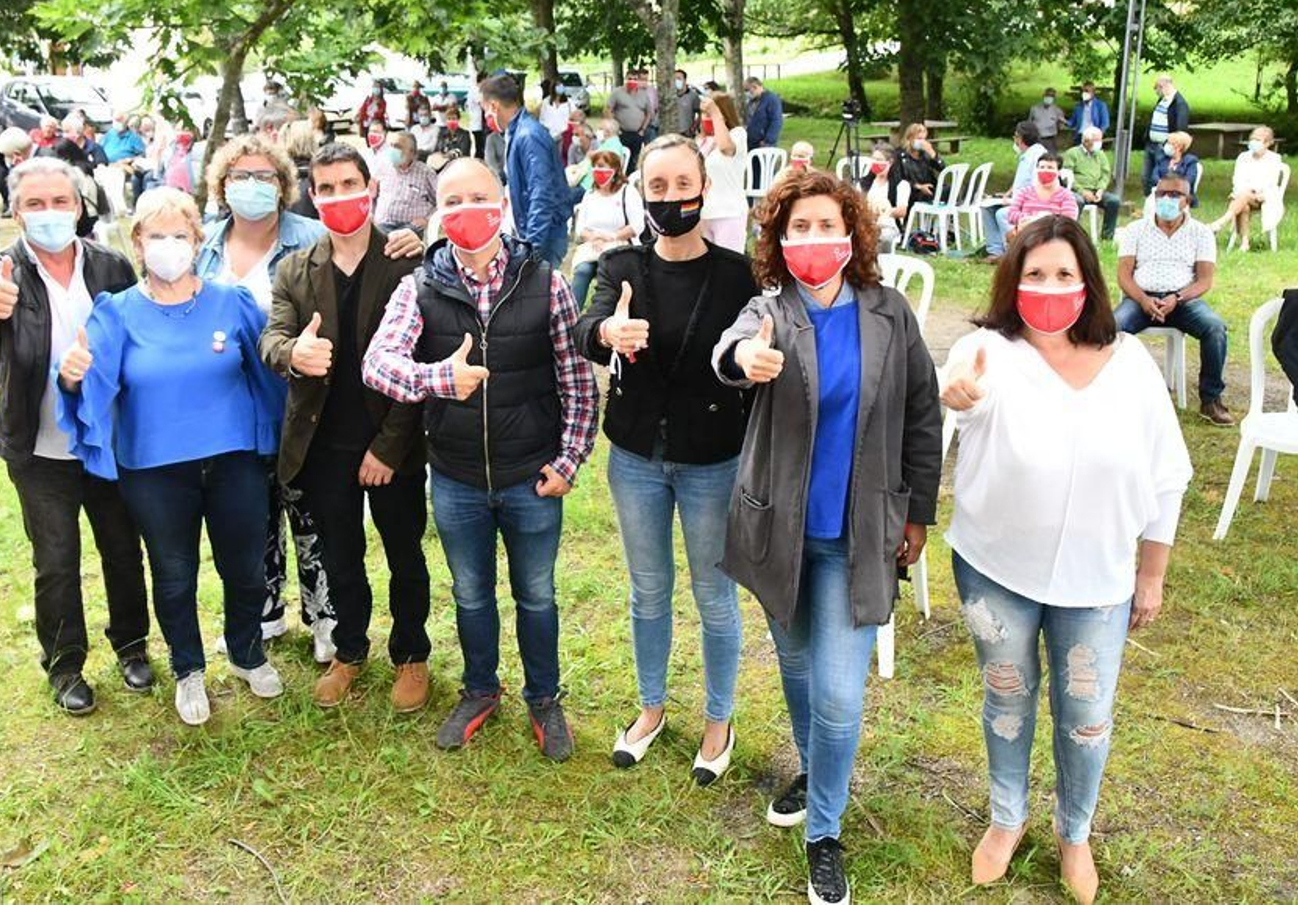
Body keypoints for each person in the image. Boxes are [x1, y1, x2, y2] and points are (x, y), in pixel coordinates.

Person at [939, 214, 1191, 905]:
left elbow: (1167, 474)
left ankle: (1073, 831)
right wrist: (955, 394)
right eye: (1035, 274)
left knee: (1087, 712)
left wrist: (1152, 572)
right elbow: (957, 389)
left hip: (1098, 580)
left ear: (1089, 282)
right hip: (995, 569)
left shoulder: (1131, 364)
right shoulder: (987, 349)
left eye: (1063, 274)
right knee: (1007, 695)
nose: (1049, 287)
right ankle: (1006, 816)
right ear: (1012, 280)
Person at [712, 168, 941, 905]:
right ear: (779, 240)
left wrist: (919, 511)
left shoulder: (888, 313)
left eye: (827, 225)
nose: (814, 239)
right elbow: (733, 347)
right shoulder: (769, 309)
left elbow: (923, 414)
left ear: (853, 235)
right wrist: (744, 359)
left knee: (841, 693)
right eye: (798, 227)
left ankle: (825, 832)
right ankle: (815, 766)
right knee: (799, 667)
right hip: (779, 530)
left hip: (856, 534)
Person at [362, 157, 599, 761]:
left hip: (531, 473)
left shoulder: (544, 279)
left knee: (537, 594)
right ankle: (479, 689)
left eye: (480, 197)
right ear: (439, 212)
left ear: (503, 205)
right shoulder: (418, 284)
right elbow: (378, 363)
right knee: (470, 593)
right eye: (455, 200)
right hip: (458, 475)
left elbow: (576, 382)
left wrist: (569, 460)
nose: (469, 210)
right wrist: (440, 377)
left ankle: (544, 698)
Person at [57, 186, 288, 725]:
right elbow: (89, 380)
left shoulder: (233, 303)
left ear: (196, 239)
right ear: (138, 242)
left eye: (178, 235)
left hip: (233, 462)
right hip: (155, 469)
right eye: (156, 235)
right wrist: (70, 380)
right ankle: (188, 669)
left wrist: (275, 443)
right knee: (175, 573)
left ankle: (247, 651)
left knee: (246, 568)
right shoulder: (115, 312)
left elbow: (268, 379)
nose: (168, 245)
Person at [572, 134, 756, 783]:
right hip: (636, 458)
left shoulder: (736, 273)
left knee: (715, 595)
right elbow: (583, 326)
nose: (672, 198)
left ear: (704, 188)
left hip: (713, 460)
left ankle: (718, 718)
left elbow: (757, 354)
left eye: (683, 185)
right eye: (658, 187)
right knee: (648, 591)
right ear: (640, 192)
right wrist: (606, 332)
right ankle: (651, 708)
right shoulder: (621, 265)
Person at [0, 157, 146, 714]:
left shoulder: (109, 266)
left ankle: (132, 646)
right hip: (40, 449)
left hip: (106, 441)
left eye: (61, 202)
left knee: (123, 549)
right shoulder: (0, 269)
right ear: (15, 213)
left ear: (79, 207)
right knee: (56, 561)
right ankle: (65, 666)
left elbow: (138, 331)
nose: (50, 213)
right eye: (35, 204)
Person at [260, 143, 432, 712]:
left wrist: (388, 447)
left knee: (405, 551)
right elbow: (272, 337)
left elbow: (420, 362)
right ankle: (350, 650)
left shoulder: (407, 261)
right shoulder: (294, 268)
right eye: (326, 188)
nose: (339, 197)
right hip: (324, 442)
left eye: (349, 184)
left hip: (394, 441)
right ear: (313, 195)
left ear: (372, 186)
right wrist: (293, 353)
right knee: (340, 554)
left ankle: (411, 652)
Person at [194, 136, 326, 646]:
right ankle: (263, 613)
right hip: (230, 409)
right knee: (249, 518)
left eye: (264, 176)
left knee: (310, 512)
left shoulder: (314, 237)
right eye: (239, 177)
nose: (251, 186)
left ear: (283, 185)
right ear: (222, 187)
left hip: (300, 401)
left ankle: (324, 618)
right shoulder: (203, 246)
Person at [1114, 173, 1232, 425]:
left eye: (1175, 194)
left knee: (1215, 328)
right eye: (1162, 194)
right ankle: (1114, 395)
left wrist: (1175, 298)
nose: (1167, 199)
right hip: (1140, 299)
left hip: (1182, 300)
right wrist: (1144, 300)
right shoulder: (1135, 230)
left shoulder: (1201, 233)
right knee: (1111, 328)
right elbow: (1124, 276)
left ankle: (1211, 399)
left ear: (1187, 200)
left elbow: (1204, 281)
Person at [480, 73, 577, 267]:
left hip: (544, 237)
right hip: (532, 232)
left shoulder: (529, 136)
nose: (485, 116)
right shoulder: (516, 133)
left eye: (484, 109)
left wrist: (532, 248)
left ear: (493, 106)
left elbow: (541, 194)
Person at [566, 149, 642, 307]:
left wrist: (612, 237)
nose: (599, 173)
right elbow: (581, 228)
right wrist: (595, 238)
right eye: (596, 168)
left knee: (607, 270)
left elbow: (637, 225)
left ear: (615, 171)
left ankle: (605, 312)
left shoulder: (627, 192)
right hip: (593, 247)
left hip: (619, 246)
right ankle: (572, 316)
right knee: (582, 271)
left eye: (603, 168)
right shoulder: (590, 195)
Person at [983, 154, 1078, 262]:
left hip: (1053, 239)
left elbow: (1067, 220)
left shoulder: (1066, 195)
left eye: (1050, 168)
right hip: (1026, 235)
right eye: (1041, 167)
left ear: (1059, 172)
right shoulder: (1025, 192)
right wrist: (1030, 219)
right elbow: (1012, 213)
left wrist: (1041, 220)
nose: (1045, 170)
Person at [1210, 126, 1283, 251]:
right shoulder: (1243, 157)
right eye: (1252, 139)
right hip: (1243, 195)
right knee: (1243, 203)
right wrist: (1243, 191)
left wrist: (1254, 190)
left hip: (1263, 196)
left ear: (1267, 143)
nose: (1254, 142)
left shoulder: (1274, 159)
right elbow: (1237, 179)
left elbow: (1271, 182)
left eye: (1258, 140)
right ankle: (1244, 242)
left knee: (1243, 196)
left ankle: (1221, 222)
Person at [696, 92, 749, 253]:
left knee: (729, 263)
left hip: (729, 211)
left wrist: (715, 113)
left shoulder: (737, 134)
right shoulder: (702, 141)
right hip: (705, 212)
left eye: (709, 114)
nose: (706, 118)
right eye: (704, 114)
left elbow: (726, 148)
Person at [374, 130, 439, 235]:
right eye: (391, 146)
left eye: (398, 147)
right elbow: (371, 194)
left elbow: (441, 201)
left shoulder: (426, 173)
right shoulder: (382, 167)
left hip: (411, 228)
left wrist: (428, 219)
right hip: (383, 224)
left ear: (412, 153)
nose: (392, 150)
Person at [1143, 76, 1190, 198]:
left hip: (1165, 147)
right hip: (1151, 144)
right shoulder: (1162, 100)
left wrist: (1173, 146)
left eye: (1157, 88)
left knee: (1158, 178)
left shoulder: (1179, 104)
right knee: (1146, 177)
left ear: (1163, 86)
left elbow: (1181, 128)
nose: (1156, 92)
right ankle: (1148, 202)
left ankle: (1158, 201)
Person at [859, 144, 908, 253]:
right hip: (867, 222)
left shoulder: (901, 185)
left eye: (879, 160)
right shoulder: (864, 183)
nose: (875, 163)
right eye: (873, 159)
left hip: (888, 225)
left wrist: (885, 211)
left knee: (884, 236)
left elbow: (902, 211)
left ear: (889, 162)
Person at [1069, 127, 1116, 240]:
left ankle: (1107, 236)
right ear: (1085, 140)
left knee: (1113, 201)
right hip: (1078, 191)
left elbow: (1105, 174)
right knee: (1077, 201)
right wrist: (1082, 191)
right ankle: (1072, 235)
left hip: (1096, 191)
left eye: (1100, 140)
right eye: (1096, 140)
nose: (1099, 143)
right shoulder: (1072, 154)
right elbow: (1067, 176)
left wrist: (1100, 190)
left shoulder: (1100, 155)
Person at [890, 122, 945, 212]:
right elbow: (897, 178)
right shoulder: (900, 155)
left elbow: (943, 169)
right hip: (911, 190)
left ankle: (948, 221)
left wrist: (933, 154)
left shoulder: (925, 155)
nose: (922, 142)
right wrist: (918, 186)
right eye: (919, 139)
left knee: (948, 191)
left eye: (924, 139)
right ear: (910, 138)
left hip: (928, 189)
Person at [744, 77, 784, 188]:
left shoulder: (771, 99)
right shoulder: (752, 101)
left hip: (765, 142)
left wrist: (768, 139)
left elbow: (776, 121)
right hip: (752, 141)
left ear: (755, 87)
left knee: (765, 173)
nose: (747, 93)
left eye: (748, 90)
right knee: (754, 172)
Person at [607, 73, 653, 168]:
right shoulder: (617, 93)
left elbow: (649, 112)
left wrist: (642, 129)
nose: (632, 81)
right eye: (630, 78)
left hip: (637, 133)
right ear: (625, 79)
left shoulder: (644, 95)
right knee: (619, 158)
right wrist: (614, 127)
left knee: (634, 159)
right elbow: (608, 110)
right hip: (621, 132)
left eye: (635, 79)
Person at [1146, 131, 1201, 208]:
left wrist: (1172, 187)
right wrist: (1163, 185)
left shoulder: (1190, 161)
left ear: (1179, 147)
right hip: (1161, 193)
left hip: (1180, 195)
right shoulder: (1162, 159)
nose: (1166, 145)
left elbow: (1189, 180)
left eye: (1169, 143)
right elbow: (1154, 176)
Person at [431, 105, 473, 173]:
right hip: (441, 167)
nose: (451, 121)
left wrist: (448, 156)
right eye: (449, 118)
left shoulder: (464, 134)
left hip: (458, 167)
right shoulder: (441, 134)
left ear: (458, 119)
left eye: (454, 118)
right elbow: (436, 151)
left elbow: (464, 153)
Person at [1069, 81, 1111, 145]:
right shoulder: (1078, 106)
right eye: (1082, 91)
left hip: (1093, 136)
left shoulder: (1100, 105)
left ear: (1093, 93)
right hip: (1080, 136)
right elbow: (1072, 122)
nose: (1084, 93)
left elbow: (1105, 123)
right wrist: (1063, 120)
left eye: (1086, 91)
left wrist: (1098, 135)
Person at [1027, 87, 1066, 153]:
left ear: (1054, 98)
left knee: (1051, 158)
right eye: (1047, 95)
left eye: (1051, 96)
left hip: (1050, 140)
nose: (1049, 98)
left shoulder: (1058, 111)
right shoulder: (1034, 109)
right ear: (1043, 96)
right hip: (1037, 138)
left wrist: (1061, 123)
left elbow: (1061, 127)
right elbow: (1029, 124)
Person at [671, 70, 701, 138]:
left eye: (679, 78)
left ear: (685, 80)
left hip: (687, 134)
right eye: (674, 79)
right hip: (672, 134)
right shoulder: (670, 96)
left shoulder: (693, 96)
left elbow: (700, 113)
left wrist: (694, 127)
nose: (676, 81)